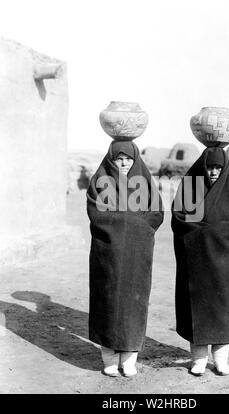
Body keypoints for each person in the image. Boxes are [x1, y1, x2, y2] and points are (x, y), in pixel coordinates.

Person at [171, 147, 229, 376]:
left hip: (227, 263)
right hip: (195, 261)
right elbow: (180, 219)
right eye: (209, 167)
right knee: (196, 310)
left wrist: (212, 232)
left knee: (224, 310)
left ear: (224, 167)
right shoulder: (191, 187)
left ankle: (220, 360)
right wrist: (205, 233)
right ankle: (198, 359)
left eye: (218, 167)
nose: (214, 172)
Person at [87, 141, 164, 377]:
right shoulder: (100, 182)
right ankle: (109, 358)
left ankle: (129, 359)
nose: (123, 163)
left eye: (128, 159)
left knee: (134, 304)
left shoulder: (145, 183)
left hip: (137, 254)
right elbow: (97, 214)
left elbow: (156, 214)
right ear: (111, 159)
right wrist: (130, 223)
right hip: (107, 253)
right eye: (119, 159)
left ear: (135, 160)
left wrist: (131, 226)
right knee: (107, 303)